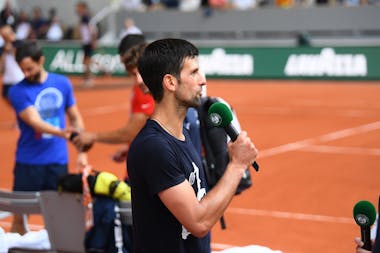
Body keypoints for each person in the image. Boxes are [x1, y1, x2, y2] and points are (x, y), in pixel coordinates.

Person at [127, 38, 258, 252]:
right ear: (170, 82)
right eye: (194, 73)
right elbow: (198, 222)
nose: (203, 81)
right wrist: (237, 165)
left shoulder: (183, 135)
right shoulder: (154, 147)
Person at [7, 40, 87, 235]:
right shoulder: (17, 91)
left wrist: (82, 151)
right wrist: (62, 132)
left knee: (59, 217)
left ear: (41, 60)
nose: (26, 74)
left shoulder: (62, 83)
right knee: (19, 217)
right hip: (28, 163)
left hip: (57, 162)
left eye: (30, 68)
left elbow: (76, 118)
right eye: (22, 70)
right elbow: (34, 121)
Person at [72, 34, 154, 165]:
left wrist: (93, 136)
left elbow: (130, 132)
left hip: (148, 168)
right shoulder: (143, 85)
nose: (127, 70)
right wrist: (130, 148)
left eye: (127, 62)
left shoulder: (146, 87)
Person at [0, 24, 24, 117]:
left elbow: (20, 57)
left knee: (20, 98)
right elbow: (1, 67)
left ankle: (23, 115)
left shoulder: (19, 43)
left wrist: (11, 48)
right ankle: (19, 112)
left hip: (18, 77)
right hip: (7, 78)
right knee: (6, 96)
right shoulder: (2, 48)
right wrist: (5, 52)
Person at [75, 1, 97, 87]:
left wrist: (93, 41)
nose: (76, 9)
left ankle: (88, 78)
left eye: (78, 7)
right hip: (85, 42)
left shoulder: (86, 17)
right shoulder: (84, 17)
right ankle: (88, 77)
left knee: (86, 61)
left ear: (83, 8)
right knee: (86, 61)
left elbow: (91, 30)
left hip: (88, 42)